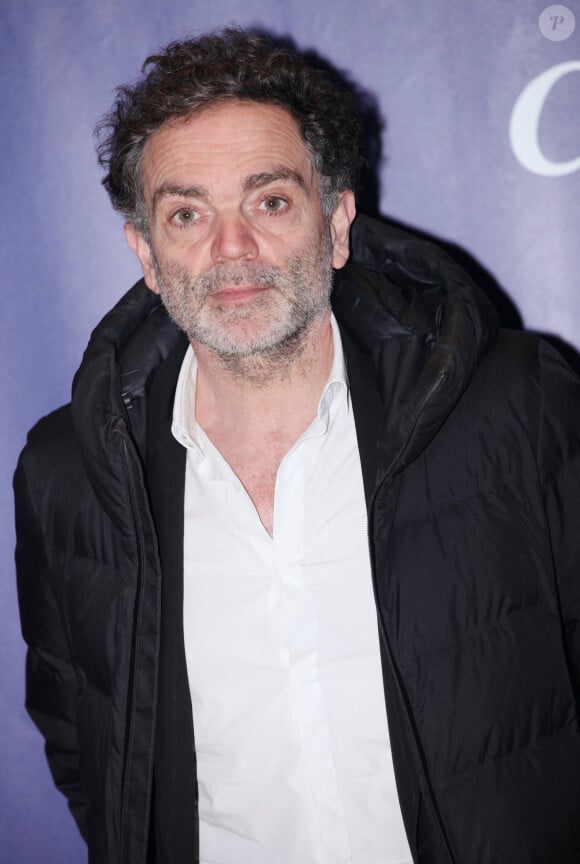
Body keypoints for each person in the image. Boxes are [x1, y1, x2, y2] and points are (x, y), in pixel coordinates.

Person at [14, 27, 580, 864]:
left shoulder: (516, 405)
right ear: (146, 253)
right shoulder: (70, 473)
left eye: (269, 201)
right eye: (186, 213)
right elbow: (83, 739)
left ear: (337, 221)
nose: (231, 249)